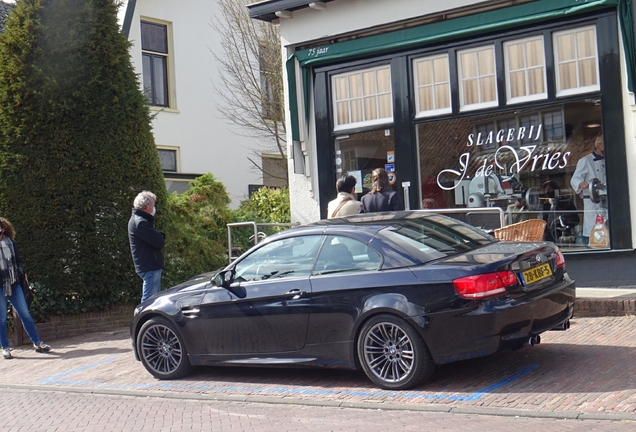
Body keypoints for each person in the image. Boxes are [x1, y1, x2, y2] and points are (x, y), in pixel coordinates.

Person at [0, 217, 51, 359]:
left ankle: (37, 343)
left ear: (3, 229)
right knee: (1, 318)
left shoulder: (11, 242)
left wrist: (19, 271)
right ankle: (5, 348)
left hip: (14, 284)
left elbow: (19, 261)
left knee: (25, 313)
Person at [128, 191, 165, 303]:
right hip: (150, 266)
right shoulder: (141, 223)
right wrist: (161, 235)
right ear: (147, 207)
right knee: (149, 301)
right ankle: (142, 320)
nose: (154, 207)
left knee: (153, 299)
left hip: (148, 266)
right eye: (153, 205)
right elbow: (158, 241)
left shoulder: (138, 220)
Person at [570, 134, 606, 244]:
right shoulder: (585, 161)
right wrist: (581, 183)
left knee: (605, 224)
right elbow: (574, 179)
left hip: (606, 198)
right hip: (591, 199)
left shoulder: (608, 160)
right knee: (592, 224)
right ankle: (590, 243)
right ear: (599, 146)